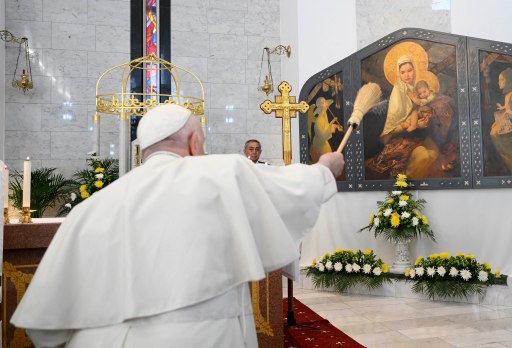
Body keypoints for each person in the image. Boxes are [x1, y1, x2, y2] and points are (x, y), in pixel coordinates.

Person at [11, 104, 345, 347]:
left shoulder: (89, 209)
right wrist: (326, 168)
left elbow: (46, 329)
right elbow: (292, 190)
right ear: (192, 143)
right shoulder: (221, 173)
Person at [309, 97, 343, 163]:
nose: (326, 105)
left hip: (323, 143)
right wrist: (332, 122)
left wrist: (336, 126)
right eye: (324, 103)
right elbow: (323, 136)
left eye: (325, 103)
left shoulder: (324, 116)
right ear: (321, 107)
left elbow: (326, 127)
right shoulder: (319, 120)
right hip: (320, 145)